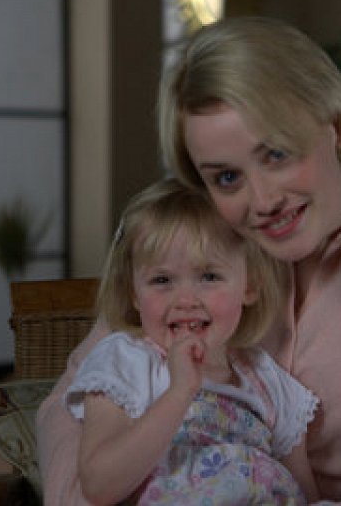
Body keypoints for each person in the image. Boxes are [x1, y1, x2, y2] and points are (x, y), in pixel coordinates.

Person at [38, 16, 341, 506]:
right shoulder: (195, 235)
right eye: (226, 178)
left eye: (277, 154)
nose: (262, 202)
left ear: (336, 128)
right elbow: (69, 406)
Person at [66, 178, 320, 505]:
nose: (186, 300)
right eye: (162, 280)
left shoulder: (267, 380)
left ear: (250, 285)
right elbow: (99, 484)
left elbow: (307, 494)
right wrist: (179, 392)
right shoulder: (125, 361)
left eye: (209, 277)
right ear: (134, 294)